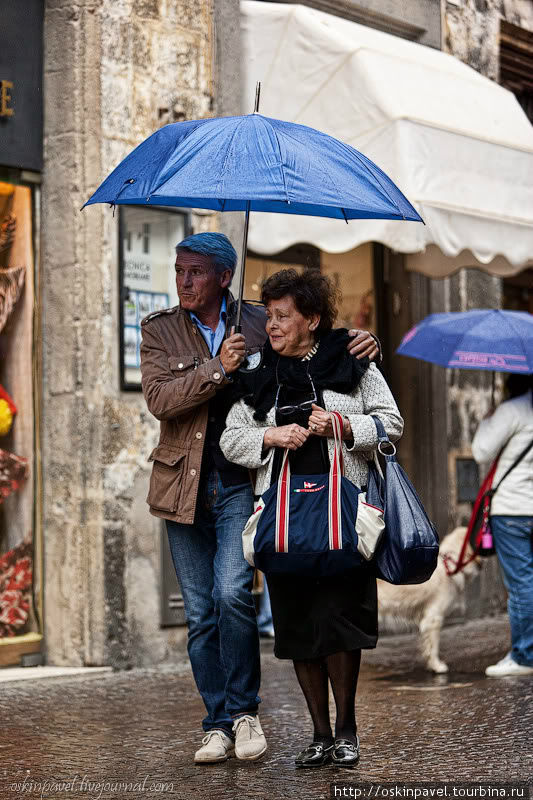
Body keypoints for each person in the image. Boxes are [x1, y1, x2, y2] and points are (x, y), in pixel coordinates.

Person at [139, 233, 379, 765]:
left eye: (195, 271)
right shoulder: (159, 330)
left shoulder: (255, 321)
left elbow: (323, 343)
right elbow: (160, 400)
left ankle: (248, 712)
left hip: (241, 488)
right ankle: (218, 723)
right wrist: (218, 368)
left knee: (231, 596)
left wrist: (364, 343)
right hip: (181, 488)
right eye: (179, 270)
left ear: (224, 276)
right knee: (201, 615)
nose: (183, 280)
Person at [220, 268, 403, 768]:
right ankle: (319, 734)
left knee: (341, 621)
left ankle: (347, 729)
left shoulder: (353, 360)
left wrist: (342, 425)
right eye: (269, 315)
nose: (272, 325)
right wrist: (270, 438)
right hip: (283, 515)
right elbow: (231, 438)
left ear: (313, 319)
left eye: (283, 316)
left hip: (343, 511)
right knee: (299, 626)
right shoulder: (257, 373)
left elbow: (392, 422)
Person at [472, 373, 533, 678]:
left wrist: (487, 420)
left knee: (522, 584)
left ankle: (524, 655)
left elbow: (481, 451)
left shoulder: (513, 410)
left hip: (514, 510)